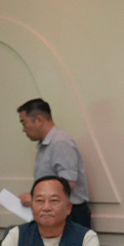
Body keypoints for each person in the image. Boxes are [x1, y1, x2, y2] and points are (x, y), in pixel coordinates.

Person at [18, 98, 91, 229]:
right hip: (56, 213)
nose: (23, 130)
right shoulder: (46, 144)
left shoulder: (60, 143)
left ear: (39, 120)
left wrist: (35, 197)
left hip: (69, 214)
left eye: (24, 123)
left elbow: (68, 183)